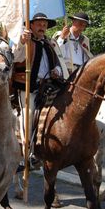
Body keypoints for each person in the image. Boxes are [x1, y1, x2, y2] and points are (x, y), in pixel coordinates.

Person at [12, 12, 68, 165]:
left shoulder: (49, 44)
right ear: (31, 25)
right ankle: (26, 153)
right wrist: (22, 42)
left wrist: (56, 70)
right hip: (28, 86)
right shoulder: (25, 41)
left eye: (44, 25)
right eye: (39, 24)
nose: (42, 27)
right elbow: (16, 58)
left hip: (49, 85)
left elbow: (57, 62)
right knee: (28, 116)